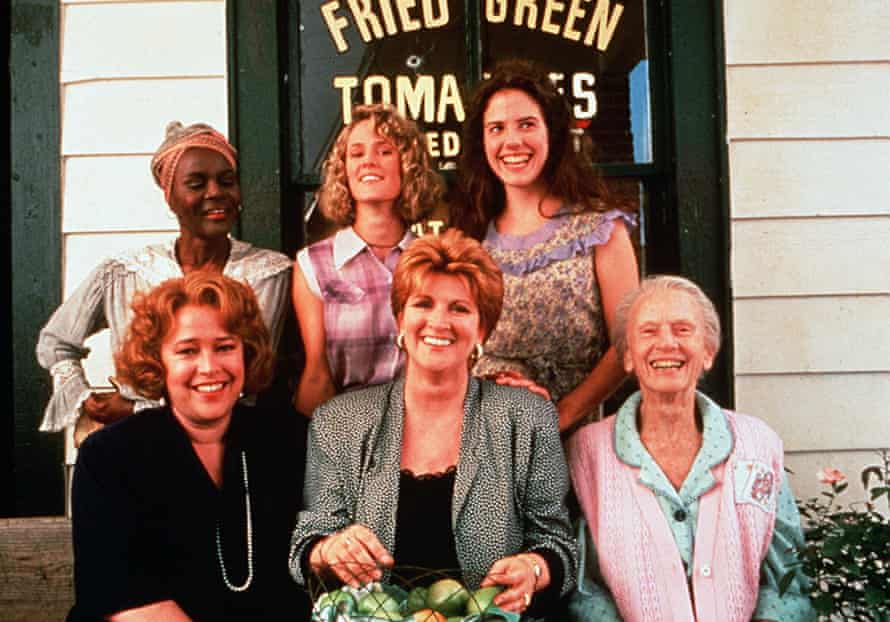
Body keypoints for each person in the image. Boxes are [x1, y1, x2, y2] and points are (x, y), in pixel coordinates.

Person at [289, 229, 577, 619]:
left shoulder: (527, 417)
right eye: (422, 304)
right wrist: (329, 550)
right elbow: (305, 544)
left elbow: (559, 544)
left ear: (482, 329)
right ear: (399, 320)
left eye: (459, 308)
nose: (438, 322)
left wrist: (535, 569)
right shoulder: (340, 421)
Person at [565, 276, 815, 621]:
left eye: (683, 329)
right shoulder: (588, 453)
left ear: (708, 352)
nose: (667, 343)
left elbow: (788, 581)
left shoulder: (757, 444)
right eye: (648, 332)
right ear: (627, 356)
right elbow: (586, 591)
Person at [67, 273, 310, 621]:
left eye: (225, 347)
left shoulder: (290, 439)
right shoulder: (111, 455)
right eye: (187, 350)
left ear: (247, 352)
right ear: (157, 361)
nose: (209, 368)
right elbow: (125, 601)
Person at [36, 121, 292, 440]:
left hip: (231, 444)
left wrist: (134, 408)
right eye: (196, 183)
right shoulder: (123, 273)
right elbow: (56, 342)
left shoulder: (271, 273)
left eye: (227, 181)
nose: (216, 193)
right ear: (169, 195)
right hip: (139, 446)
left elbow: (246, 381)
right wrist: (84, 399)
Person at [453, 59, 640, 433]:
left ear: (551, 133)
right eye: (496, 129)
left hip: (575, 434)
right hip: (483, 437)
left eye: (526, 124)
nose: (512, 141)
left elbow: (628, 344)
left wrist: (563, 414)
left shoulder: (599, 229)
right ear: (483, 142)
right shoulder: (468, 238)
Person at [292, 104, 444, 416]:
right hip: (347, 429)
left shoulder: (433, 261)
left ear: (408, 165)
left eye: (384, 151)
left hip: (426, 427)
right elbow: (317, 375)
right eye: (357, 153)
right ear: (344, 169)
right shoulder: (314, 265)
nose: (368, 162)